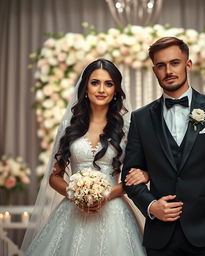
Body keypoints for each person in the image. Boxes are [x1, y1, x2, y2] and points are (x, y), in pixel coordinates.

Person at [121, 37, 205, 256]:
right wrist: (151, 207)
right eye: (161, 65)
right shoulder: (140, 119)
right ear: (154, 70)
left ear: (188, 64)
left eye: (174, 63)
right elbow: (129, 177)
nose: (168, 70)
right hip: (160, 238)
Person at [22, 58, 147, 256]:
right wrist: (76, 195)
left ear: (116, 90)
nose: (101, 89)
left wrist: (105, 196)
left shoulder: (127, 129)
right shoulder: (69, 127)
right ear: (85, 87)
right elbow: (55, 177)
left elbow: (133, 178)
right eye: (95, 82)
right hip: (73, 210)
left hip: (114, 212)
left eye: (109, 83)